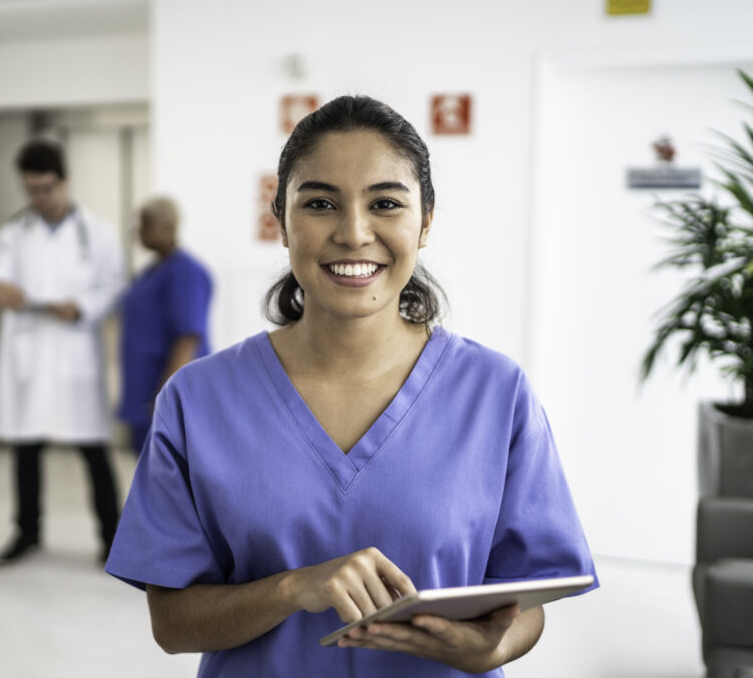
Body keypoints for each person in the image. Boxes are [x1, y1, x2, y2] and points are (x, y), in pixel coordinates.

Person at [105, 96, 598, 676]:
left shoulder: (496, 393)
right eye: (319, 204)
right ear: (281, 222)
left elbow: (529, 599)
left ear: (426, 222)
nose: (354, 233)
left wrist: (496, 646)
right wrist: (293, 588)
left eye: (385, 203)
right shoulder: (196, 401)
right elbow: (173, 624)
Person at [0, 139, 124, 565]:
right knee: (26, 450)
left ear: (64, 182)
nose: (39, 198)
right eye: (31, 189)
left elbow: (114, 285)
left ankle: (113, 542)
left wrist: (81, 307)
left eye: (46, 188)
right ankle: (27, 532)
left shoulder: (96, 232)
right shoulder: (13, 233)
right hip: (28, 356)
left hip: (74, 349)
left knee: (94, 452)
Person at [118, 196, 213, 454]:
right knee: (148, 478)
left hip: (166, 397)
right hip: (144, 393)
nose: (137, 231)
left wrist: (167, 397)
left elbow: (188, 338)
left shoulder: (185, 272)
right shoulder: (152, 271)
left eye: (145, 224)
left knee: (170, 480)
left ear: (166, 228)